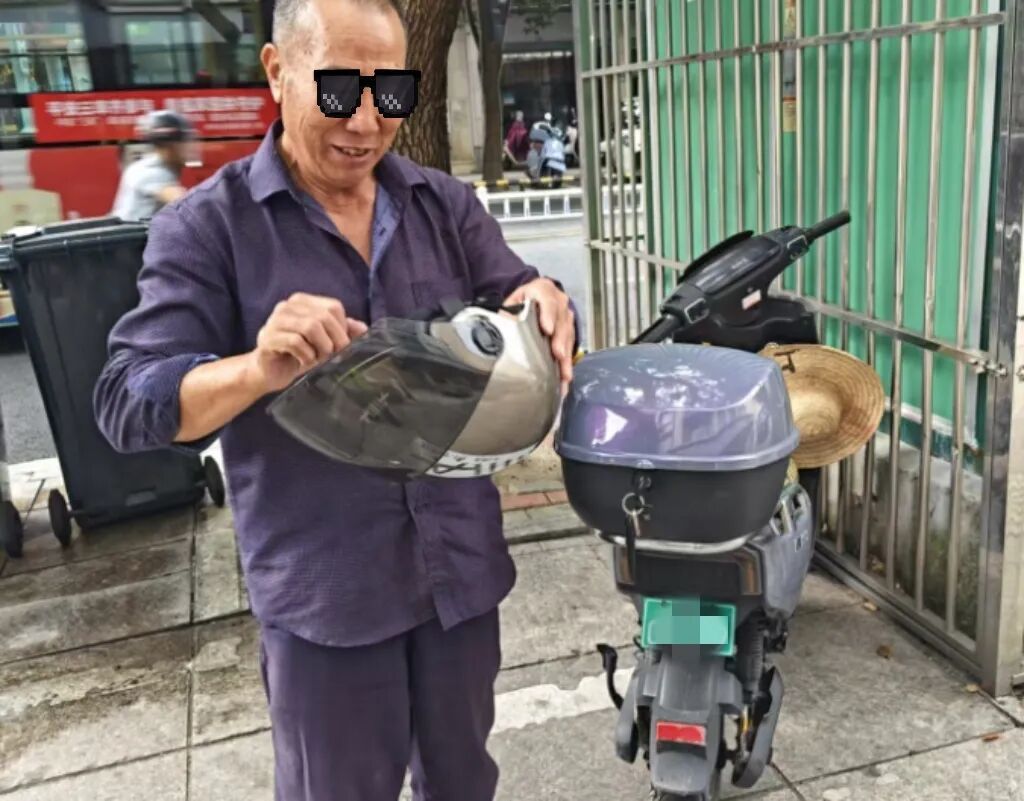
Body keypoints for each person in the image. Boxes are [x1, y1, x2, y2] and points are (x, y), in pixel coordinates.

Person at [92, 0, 576, 800]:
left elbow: (521, 299)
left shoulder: (441, 206)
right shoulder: (209, 227)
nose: (366, 120)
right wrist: (257, 367)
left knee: (464, 781)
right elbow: (127, 400)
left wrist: (545, 298)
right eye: (340, 87)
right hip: (328, 600)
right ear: (277, 72)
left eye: (390, 92)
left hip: (457, 577)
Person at [109, 109, 192, 221]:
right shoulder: (152, 172)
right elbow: (187, 205)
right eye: (185, 141)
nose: (189, 147)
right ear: (170, 145)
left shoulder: (149, 166)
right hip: (134, 232)